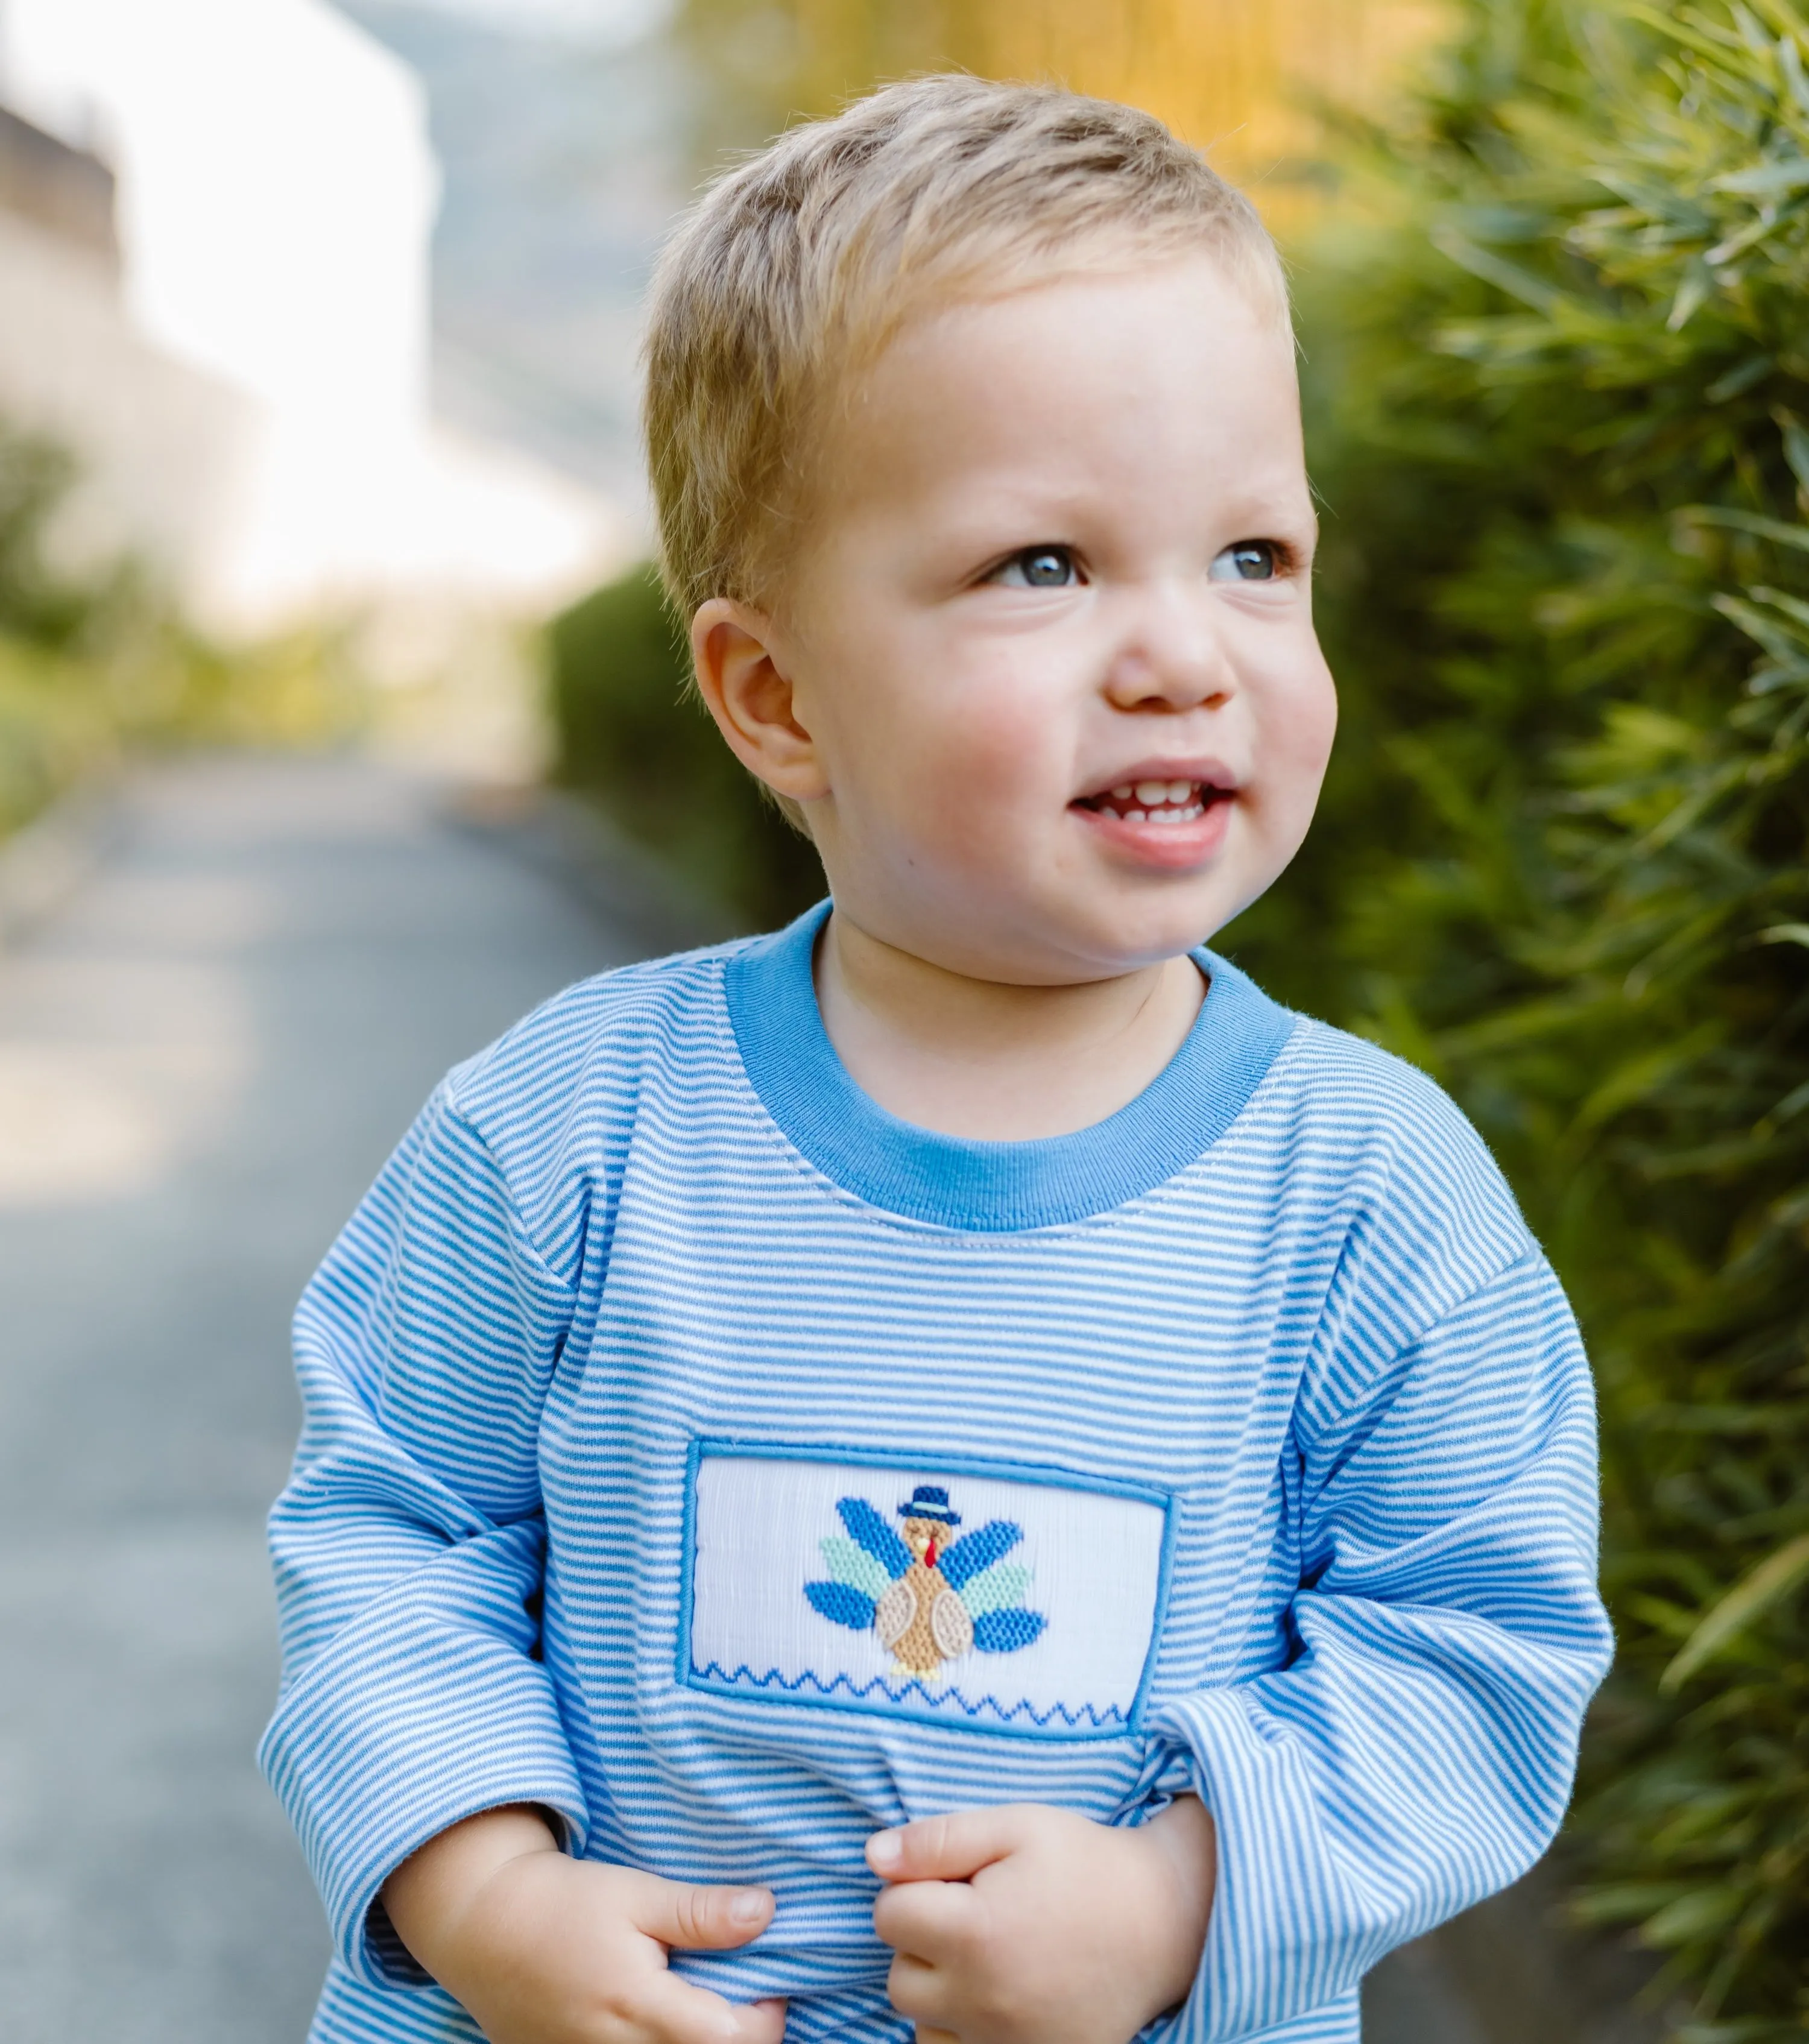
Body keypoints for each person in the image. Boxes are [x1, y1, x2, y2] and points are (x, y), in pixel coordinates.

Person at [260, 75, 1614, 2044]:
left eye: (1253, 555)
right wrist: (484, 1891)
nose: (1183, 651)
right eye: (1045, 568)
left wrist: (1180, 1891)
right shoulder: (568, 1132)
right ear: (778, 692)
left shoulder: (1369, 1199)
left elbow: (1471, 1646)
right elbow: (393, 1526)